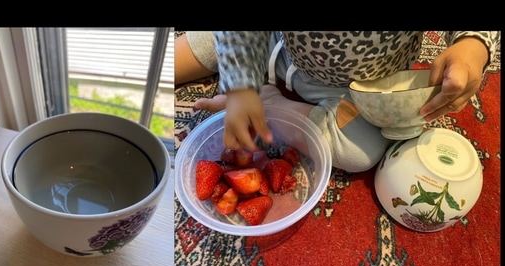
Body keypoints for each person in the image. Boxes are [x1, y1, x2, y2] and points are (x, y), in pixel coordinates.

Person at [176, 31, 500, 172]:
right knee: (194, 51)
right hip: (273, 41)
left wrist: (473, 46)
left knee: (361, 149)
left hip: (357, 87)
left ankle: (270, 104)